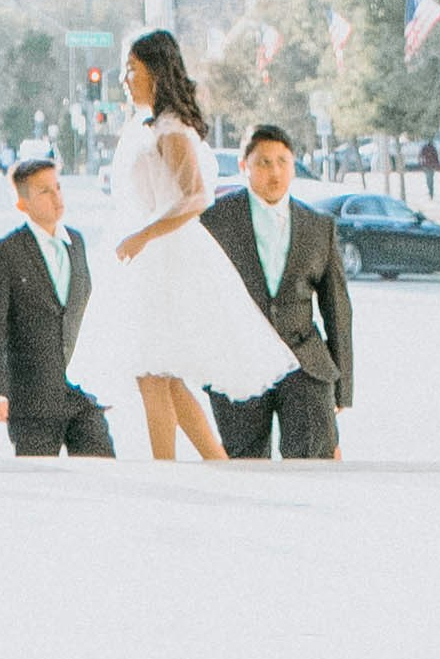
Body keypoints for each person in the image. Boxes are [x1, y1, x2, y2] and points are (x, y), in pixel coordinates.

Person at [68, 30, 291, 462]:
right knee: (163, 376)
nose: (125, 78)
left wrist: (142, 235)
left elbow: (195, 197)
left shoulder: (171, 130)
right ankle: (216, 462)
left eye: (133, 69)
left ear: (155, 71)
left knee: (153, 373)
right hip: (151, 257)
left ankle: (164, 470)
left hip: (167, 259)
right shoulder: (150, 125)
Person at [201, 123, 352, 458]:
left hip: (305, 363)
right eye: (264, 163)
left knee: (314, 468)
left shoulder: (318, 226)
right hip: (239, 364)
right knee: (246, 473)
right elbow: (201, 300)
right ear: (245, 167)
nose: (275, 172)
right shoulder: (216, 222)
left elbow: (337, 310)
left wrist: (343, 388)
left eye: (283, 162)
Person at [0, 150, 114, 458]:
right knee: (40, 478)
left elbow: (85, 310)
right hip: (32, 398)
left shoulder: (75, 242)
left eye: (58, 188)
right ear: (22, 202)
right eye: (44, 191)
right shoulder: (6, 250)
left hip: (80, 393)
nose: (55, 197)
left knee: (102, 467)